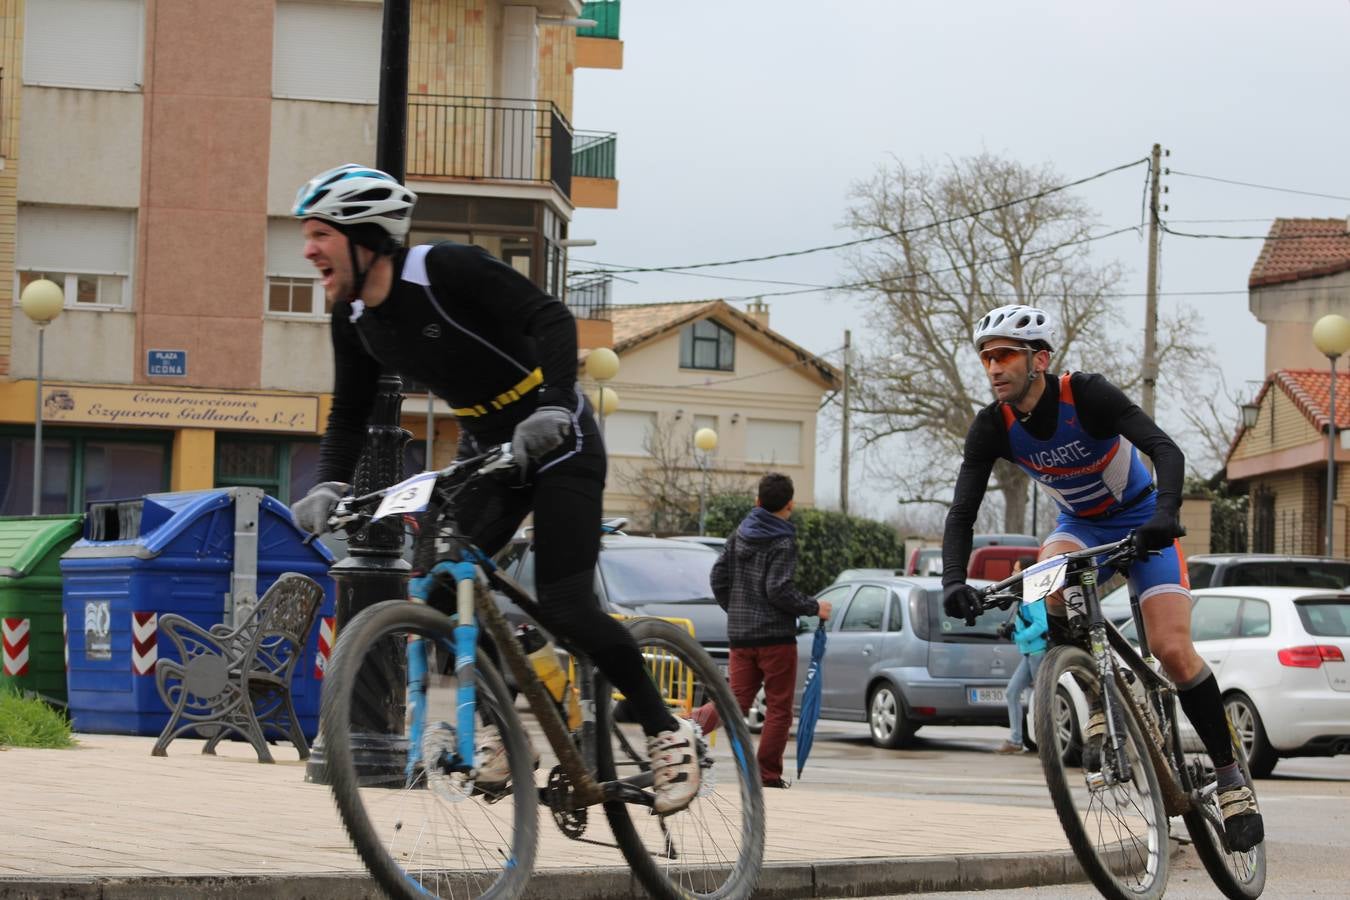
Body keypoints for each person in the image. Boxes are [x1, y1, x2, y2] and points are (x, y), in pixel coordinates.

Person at [286, 164, 700, 814]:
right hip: (490, 451)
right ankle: (504, 730)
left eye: (318, 235)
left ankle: (666, 729)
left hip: (558, 438)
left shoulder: (444, 270)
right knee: (443, 586)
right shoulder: (356, 315)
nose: (308, 250)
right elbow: (349, 413)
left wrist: (555, 405)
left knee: (565, 603)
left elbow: (552, 320)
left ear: (364, 236)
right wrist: (328, 483)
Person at [940, 304, 1263, 852]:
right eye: (985, 357)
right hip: (1079, 528)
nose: (992, 367)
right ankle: (1099, 696)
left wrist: (1164, 512)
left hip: (1142, 523)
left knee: (1172, 650)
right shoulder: (993, 425)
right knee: (1048, 585)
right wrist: (952, 581)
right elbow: (962, 513)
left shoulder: (1085, 394)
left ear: (1038, 359)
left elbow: (1165, 448)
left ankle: (1232, 781)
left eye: (1004, 355)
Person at [697, 473, 832, 789]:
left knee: (735, 701)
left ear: (757, 502)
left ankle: (687, 728)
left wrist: (737, 611)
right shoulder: (783, 540)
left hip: (741, 636)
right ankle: (766, 775)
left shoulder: (739, 534)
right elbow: (778, 589)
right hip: (775, 639)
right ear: (790, 505)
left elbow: (718, 577)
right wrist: (814, 607)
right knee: (779, 708)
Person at [995, 597, 1047, 754]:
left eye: (1016, 570)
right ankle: (1016, 740)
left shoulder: (1032, 598)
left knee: (1041, 698)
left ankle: (1045, 741)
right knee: (1012, 692)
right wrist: (1013, 631)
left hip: (1038, 652)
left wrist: (1017, 636)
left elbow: (1042, 624)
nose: (1013, 574)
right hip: (1029, 653)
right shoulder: (1020, 599)